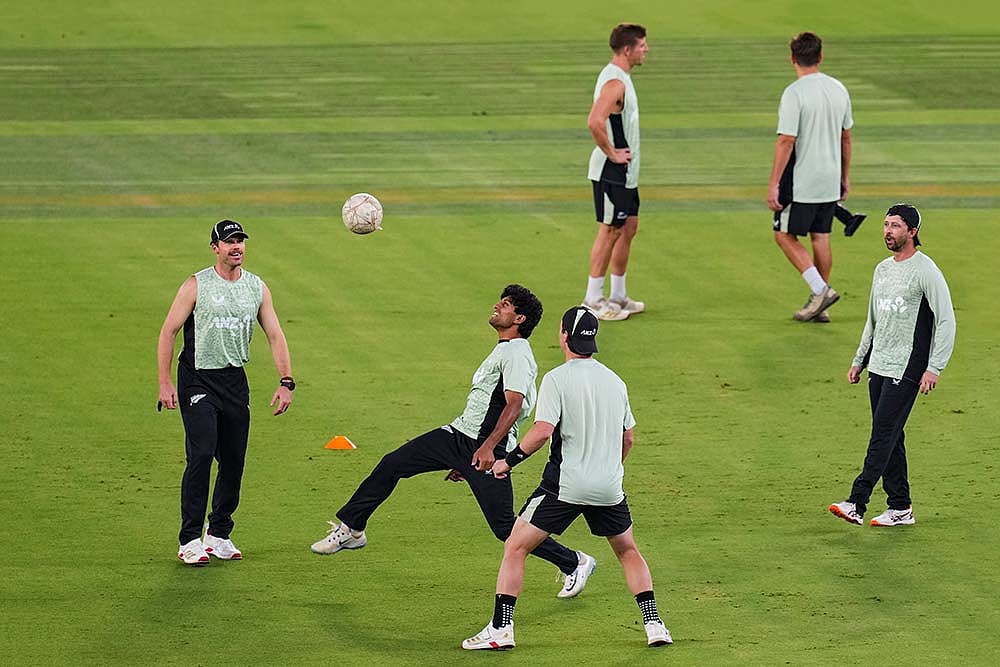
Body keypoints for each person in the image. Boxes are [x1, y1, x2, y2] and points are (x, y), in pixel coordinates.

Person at [310, 285, 597, 598]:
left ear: (520, 318)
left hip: (485, 446)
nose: (497, 306)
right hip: (458, 436)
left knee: (504, 526)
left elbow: (514, 404)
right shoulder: (504, 349)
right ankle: (352, 528)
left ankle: (574, 562)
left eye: (505, 305)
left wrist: (486, 448)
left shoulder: (517, 353)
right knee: (393, 464)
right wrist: (463, 457)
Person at [462, 306, 672, 651]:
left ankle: (500, 629)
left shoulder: (557, 379)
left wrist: (508, 461)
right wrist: (609, 469)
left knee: (515, 545)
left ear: (564, 336)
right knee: (628, 550)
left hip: (565, 486)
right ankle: (654, 624)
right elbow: (628, 437)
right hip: (608, 486)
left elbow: (542, 431)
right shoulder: (615, 381)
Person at [157, 219, 295, 565]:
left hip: (234, 381)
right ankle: (190, 538)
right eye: (229, 241)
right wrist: (165, 382)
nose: (237, 247)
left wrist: (286, 380)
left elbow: (275, 334)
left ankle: (218, 533)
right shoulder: (196, 285)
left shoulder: (256, 288)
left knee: (233, 461)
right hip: (197, 379)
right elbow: (169, 331)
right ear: (215, 248)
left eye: (240, 241)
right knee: (202, 454)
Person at [829, 204, 956, 527]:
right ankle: (900, 506)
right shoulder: (882, 269)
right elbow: (874, 319)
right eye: (886, 225)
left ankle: (857, 501)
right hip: (880, 365)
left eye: (896, 225)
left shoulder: (926, 270)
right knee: (891, 436)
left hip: (909, 366)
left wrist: (934, 367)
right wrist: (860, 360)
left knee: (883, 433)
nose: (888, 231)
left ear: (912, 232)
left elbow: (946, 320)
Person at [767, 31, 854, 322]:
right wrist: (845, 177)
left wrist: (774, 183)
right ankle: (820, 305)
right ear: (820, 56)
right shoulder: (839, 89)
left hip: (802, 180)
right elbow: (846, 138)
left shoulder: (795, 93)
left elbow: (786, 141)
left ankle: (821, 291)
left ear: (792, 58)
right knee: (821, 235)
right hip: (830, 177)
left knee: (783, 235)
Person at [583, 23, 649, 322]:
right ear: (627, 49)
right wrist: (611, 153)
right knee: (610, 229)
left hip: (626, 174)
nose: (646, 49)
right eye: (642, 45)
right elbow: (594, 121)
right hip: (612, 172)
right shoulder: (615, 83)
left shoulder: (621, 78)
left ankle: (618, 295)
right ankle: (592, 299)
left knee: (628, 227)